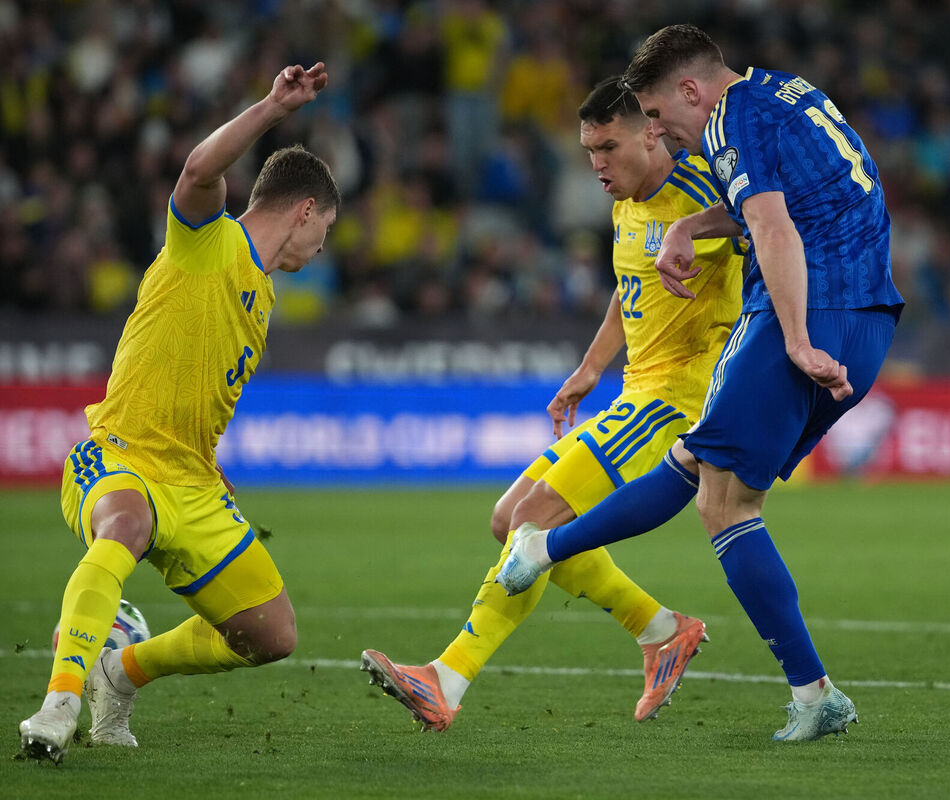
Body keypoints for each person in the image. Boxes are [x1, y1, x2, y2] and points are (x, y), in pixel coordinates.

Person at [496, 25, 904, 742]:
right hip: (869, 317)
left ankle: (547, 550)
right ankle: (813, 694)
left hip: (808, 310)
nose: (659, 132)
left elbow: (775, 231)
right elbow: (789, 198)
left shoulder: (729, 119)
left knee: (719, 503)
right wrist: (693, 225)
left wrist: (799, 339)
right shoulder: (782, 90)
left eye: (655, 116)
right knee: (710, 481)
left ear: (691, 91)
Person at [361, 76, 743, 731]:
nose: (597, 164)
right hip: (635, 393)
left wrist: (699, 226)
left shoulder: (701, 191)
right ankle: (660, 630)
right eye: (588, 149)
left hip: (679, 399)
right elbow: (630, 291)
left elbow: (762, 213)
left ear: (652, 133)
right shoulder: (624, 203)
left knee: (531, 520)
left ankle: (445, 680)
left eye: (608, 147)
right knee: (508, 520)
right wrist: (589, 368)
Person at [18, 63, 340, 763]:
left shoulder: (262, 299)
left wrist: (211, 467)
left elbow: (201, 392)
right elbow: (198, 168)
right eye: (326, 233)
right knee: (124, 524)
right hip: (122, 453)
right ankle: (59, 701)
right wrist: (271, 109)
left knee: (271, 635)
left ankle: (120, 670)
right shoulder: (208, 242)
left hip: (191, 482)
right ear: (307, 211)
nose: (322, 252)